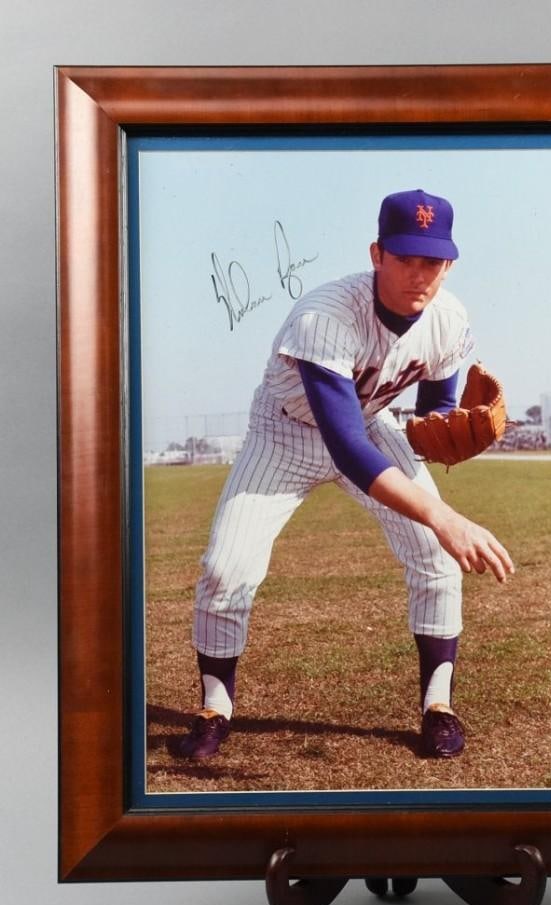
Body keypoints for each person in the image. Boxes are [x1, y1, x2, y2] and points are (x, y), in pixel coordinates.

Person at [176, 188, 513, 763]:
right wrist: (443, 515)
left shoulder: (449, 319)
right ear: (376, 254)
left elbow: (434, 411)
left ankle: (439, 705)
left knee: (435, 557)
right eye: (405, 258)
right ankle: (215, 706)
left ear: (449, 264)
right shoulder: (324, 315)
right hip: (285, 434)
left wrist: (445, 431)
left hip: (370, 425)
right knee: (226, 566)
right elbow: (346, 446)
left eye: (431, 261)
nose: (419, 275)